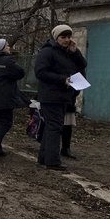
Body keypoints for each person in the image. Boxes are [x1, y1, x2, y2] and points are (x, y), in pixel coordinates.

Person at [33, 24, 87, 170]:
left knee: (52, 127)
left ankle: (44, 158)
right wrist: (62, 79)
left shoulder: (68, 52)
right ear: (56, 38)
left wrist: (76, 52)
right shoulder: (47, 52)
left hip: (63, 96)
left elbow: (83, 65)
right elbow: (40, 72)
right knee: (55, 127)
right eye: (63, 37)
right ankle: (52, 161)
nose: (66, 40)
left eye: (69, 37)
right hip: (51, 96)